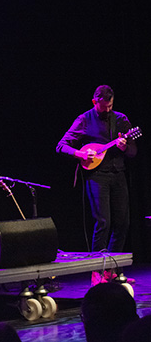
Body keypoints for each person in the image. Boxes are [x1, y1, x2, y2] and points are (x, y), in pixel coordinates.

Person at [56, 85, 137, 285]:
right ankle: (96, 272)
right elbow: (61, 145)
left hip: (118, 175)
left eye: (110, 106)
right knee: (103, 222)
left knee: (122, 223)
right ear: (95, 102)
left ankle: (111, 269)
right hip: (97, 176)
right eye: (104, 106)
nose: (108, 110)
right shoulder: (84, 119)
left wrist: (125, 146)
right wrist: (80, 153)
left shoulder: (121, 119)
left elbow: (133, 152)